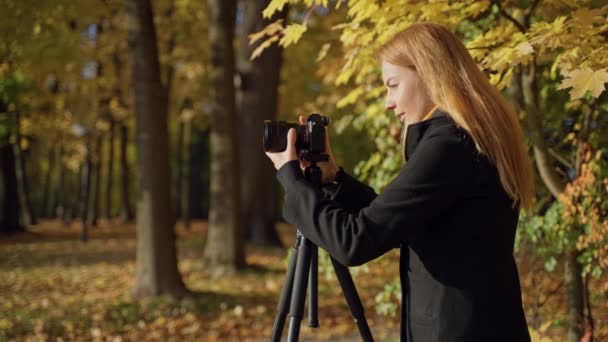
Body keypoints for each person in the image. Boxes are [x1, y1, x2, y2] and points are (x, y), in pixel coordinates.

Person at [265, 22, 534, 342]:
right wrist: (333, 176)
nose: (388, 102)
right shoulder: (468, 139)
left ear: (427, 73)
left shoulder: (451, 144)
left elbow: (355, 242)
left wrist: (291, 177)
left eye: (393, 84)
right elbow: (394, 221)